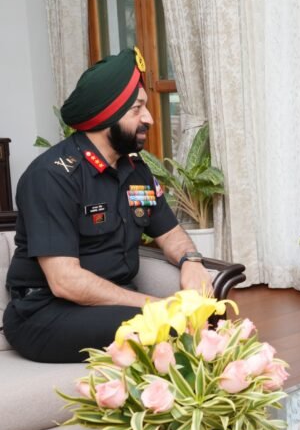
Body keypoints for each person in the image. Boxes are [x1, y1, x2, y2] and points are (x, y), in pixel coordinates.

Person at [3, 47, 213, 363]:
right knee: (161, 327)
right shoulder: (52, 176)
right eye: (137, 109)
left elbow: (170, 232)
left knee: (204, 318)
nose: (149, 118)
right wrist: (153, 305)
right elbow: (65, 281)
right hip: (45, 313)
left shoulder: (136, 170)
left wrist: (191, 261)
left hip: (111, 303)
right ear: (107, 116)